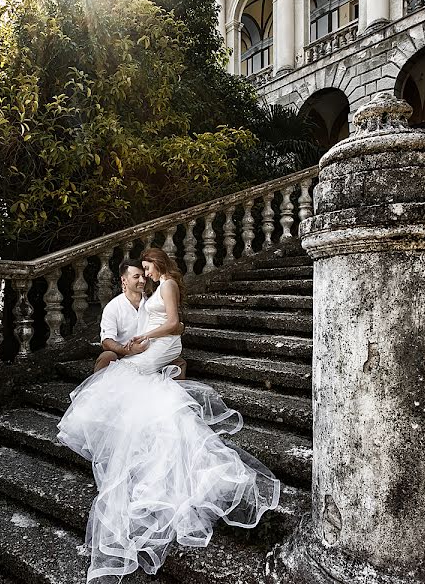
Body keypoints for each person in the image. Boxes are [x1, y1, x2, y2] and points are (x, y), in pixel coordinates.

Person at [57, 247, 280, 583]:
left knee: (127, 373)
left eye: (146, 268)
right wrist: (135, 342)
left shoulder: (169, 283)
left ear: (156, 263)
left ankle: (120, 417)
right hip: (152, 346)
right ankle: (124, 418)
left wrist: (145, 336)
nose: (144, 274)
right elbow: (118, 336)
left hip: (163, 344)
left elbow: (175, 324)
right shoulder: (134, 298)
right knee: (123, 369)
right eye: (140, 271)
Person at [95, 258, 186, 377]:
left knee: (179, 362)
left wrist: (179, 327)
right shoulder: (113, 307)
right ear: (124, 280)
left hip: (149, 350)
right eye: (136, 276)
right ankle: (101, 390)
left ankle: (174, 394)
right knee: (107, 356)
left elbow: (169, 323)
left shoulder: (152, 303)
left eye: (144, 276)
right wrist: (127, 350)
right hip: (122, 353)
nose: (142, 280)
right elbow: (106, 341)